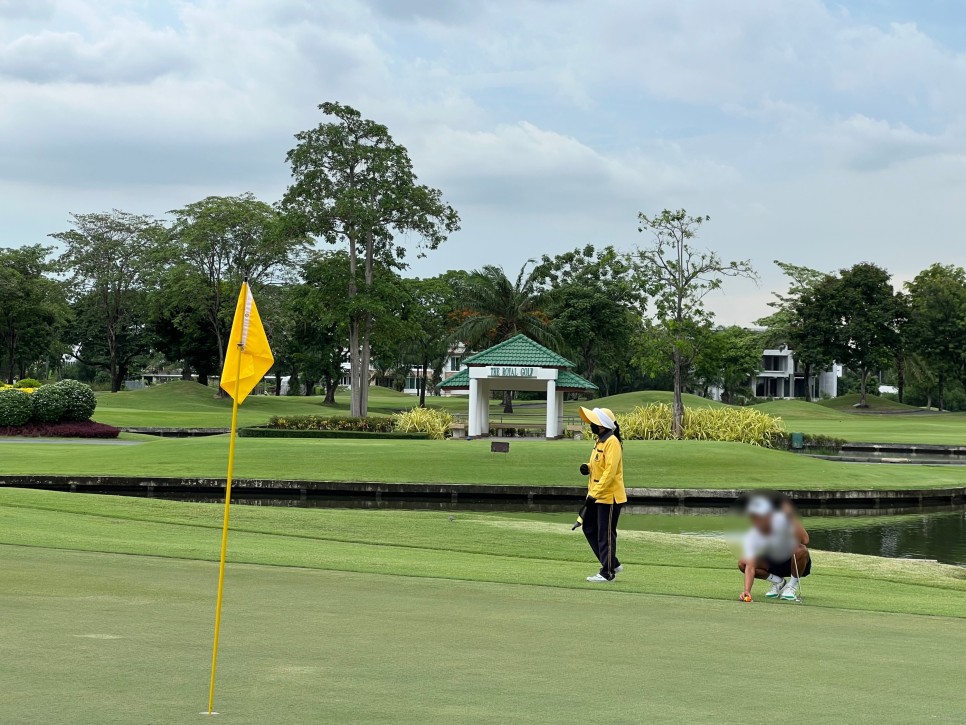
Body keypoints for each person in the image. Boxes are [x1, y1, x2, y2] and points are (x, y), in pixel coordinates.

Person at [577, 406, 626, 583]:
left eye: (593, 422)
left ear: (602, 425)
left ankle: (608, 572)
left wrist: (593, 495)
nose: (591, 424)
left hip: (609, 497)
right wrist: (587, 467)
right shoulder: (600, 440)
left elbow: (610, 472)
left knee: (605, 533)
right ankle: (612, 562)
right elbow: (599, 465)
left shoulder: (612, 442)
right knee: (588, 527)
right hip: (597, 494)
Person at [738, 494, 811, 601]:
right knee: (742, 563)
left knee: (801, 549)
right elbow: (750, 565)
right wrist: (747, 591)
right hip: (774, 564)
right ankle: (779, 582)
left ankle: (791, 586)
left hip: (794, 562)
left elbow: (805, 540)